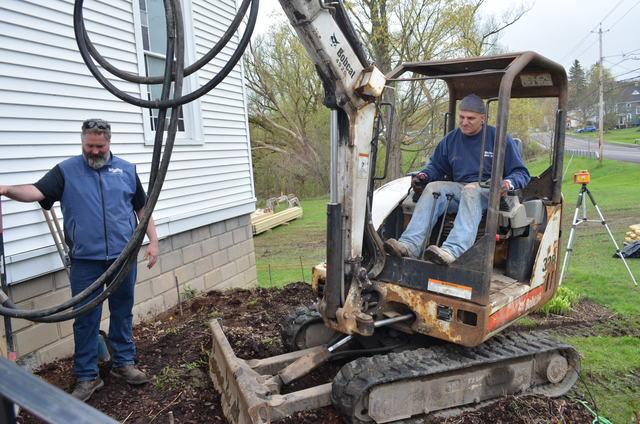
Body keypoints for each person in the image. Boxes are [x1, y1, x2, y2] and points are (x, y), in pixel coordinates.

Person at [0, 118, 159, 401]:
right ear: (82, 142)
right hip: (86, 261)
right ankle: (87, 376)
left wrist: (154, 242)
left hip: (123, 258)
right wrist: (7, 189)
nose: (94, 152)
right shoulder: (66, 171)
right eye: (89, 146)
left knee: (123, 311)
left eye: (100, 146)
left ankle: (124, 363)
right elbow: (36, 191)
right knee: (85, 318)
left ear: (109, 142)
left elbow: (141, 208)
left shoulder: (125, 170)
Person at [384, 94, 530, 265]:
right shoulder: (451, 140)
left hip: (489, 190)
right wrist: (425, 175)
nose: (464, 122)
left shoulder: (499, 139)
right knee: (433, 188)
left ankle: (453, 250)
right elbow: (437, 167)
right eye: (461, 117)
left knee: (471, 190)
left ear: (483, 118)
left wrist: (507, 183)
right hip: (460, 189)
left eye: (470, 118)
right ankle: (409, 246)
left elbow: (521, 173)